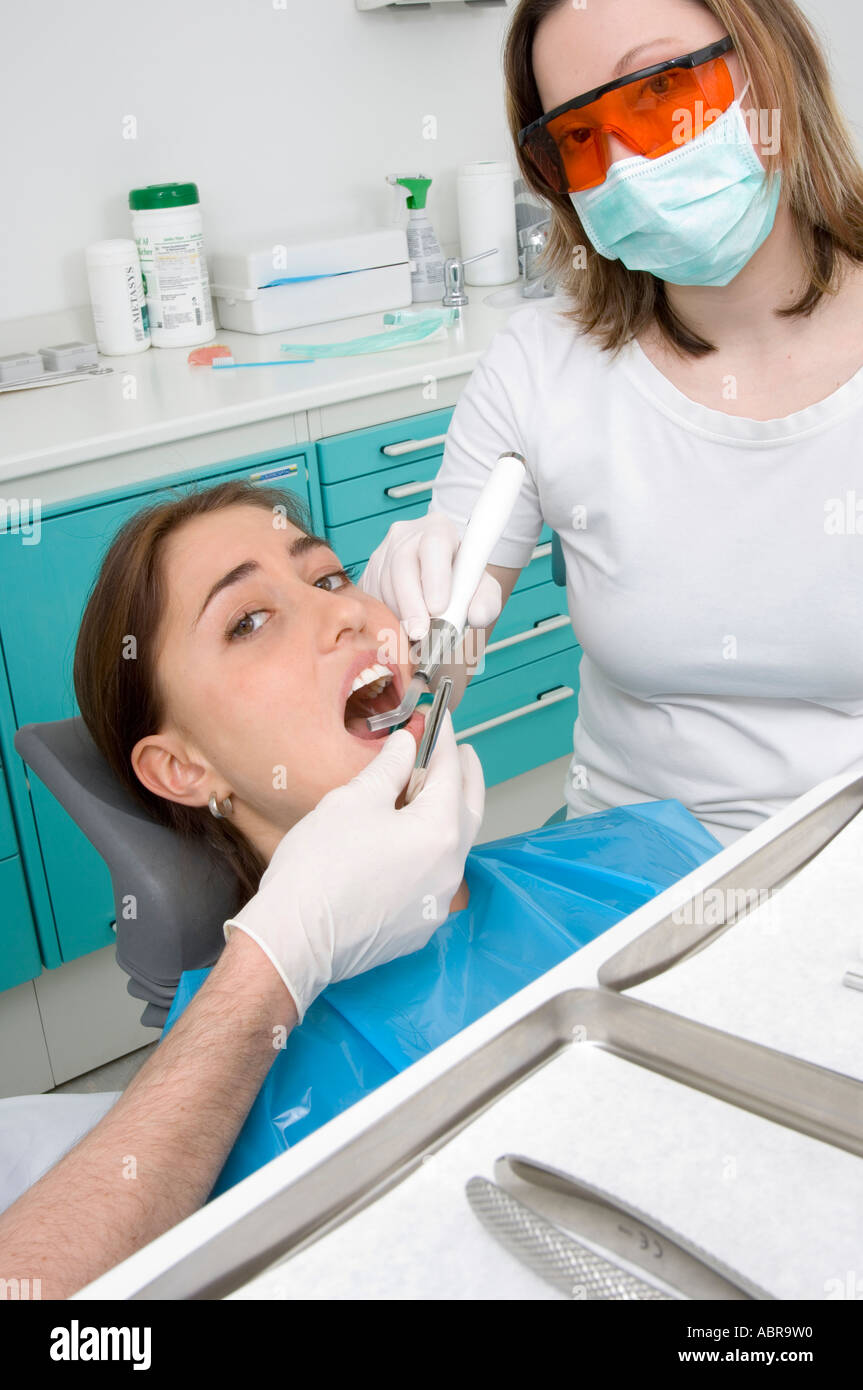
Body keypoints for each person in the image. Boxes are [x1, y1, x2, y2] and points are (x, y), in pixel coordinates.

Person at [0, 478, 719, 1295]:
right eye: (248, 620)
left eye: (330, 577)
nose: (347, 613)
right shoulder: (236, 1125)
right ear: (184, 769)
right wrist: (279, 955)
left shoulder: (637, 853)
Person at [362, 0, 863, 850]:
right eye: (580, 139)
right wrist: (404, 615)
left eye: (663, 88)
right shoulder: (539, 367)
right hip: (631, 872)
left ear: (772, 66)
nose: (627, 165)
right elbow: (424, 662)